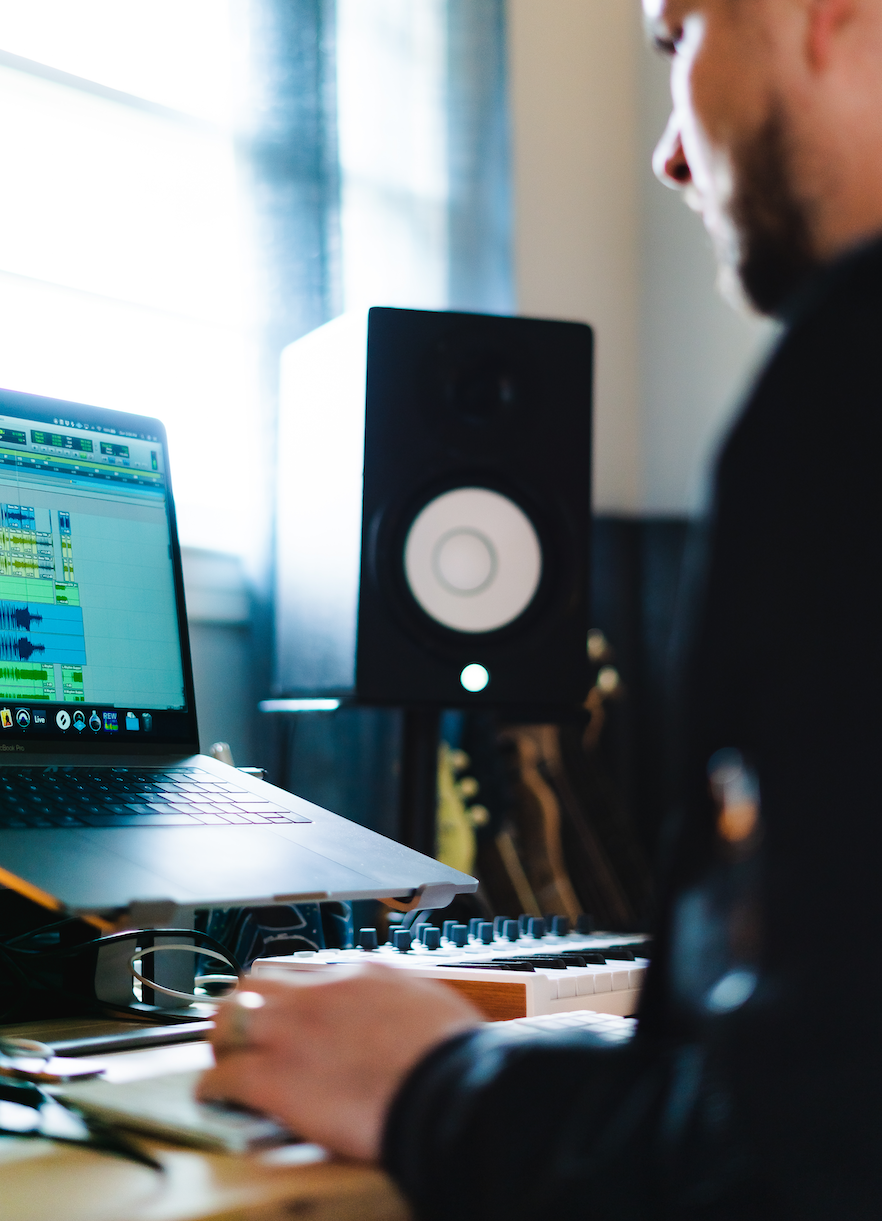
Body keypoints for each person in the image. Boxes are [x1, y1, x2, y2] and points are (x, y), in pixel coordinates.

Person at [199, 1, 882, 1215]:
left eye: (680, 37)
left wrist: (432, 1082)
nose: (671, 154)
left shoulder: (846, 383)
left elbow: (790, 1166)